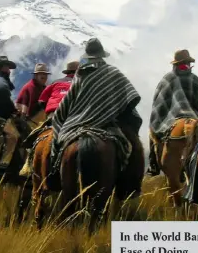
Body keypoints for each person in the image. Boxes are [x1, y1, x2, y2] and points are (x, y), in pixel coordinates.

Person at [50, 38, 144, 196]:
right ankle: (129, 187)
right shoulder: (114, 73)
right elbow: (130, 98)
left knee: (56, 140)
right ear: (102, 56)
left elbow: (66, 105)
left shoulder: (80, 74)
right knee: (134, 147)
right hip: (106, 124)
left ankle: (53, 172)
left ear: (88, 55)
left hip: (75, 124)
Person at [146, 49, 198, 176]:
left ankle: (153, 166)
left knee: (153, 128)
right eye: (187, 64)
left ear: (175, 64)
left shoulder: (167, 78)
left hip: (170, 118)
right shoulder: (194, 79)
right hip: (194, 116)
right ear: (188, 63)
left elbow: (158, 104)